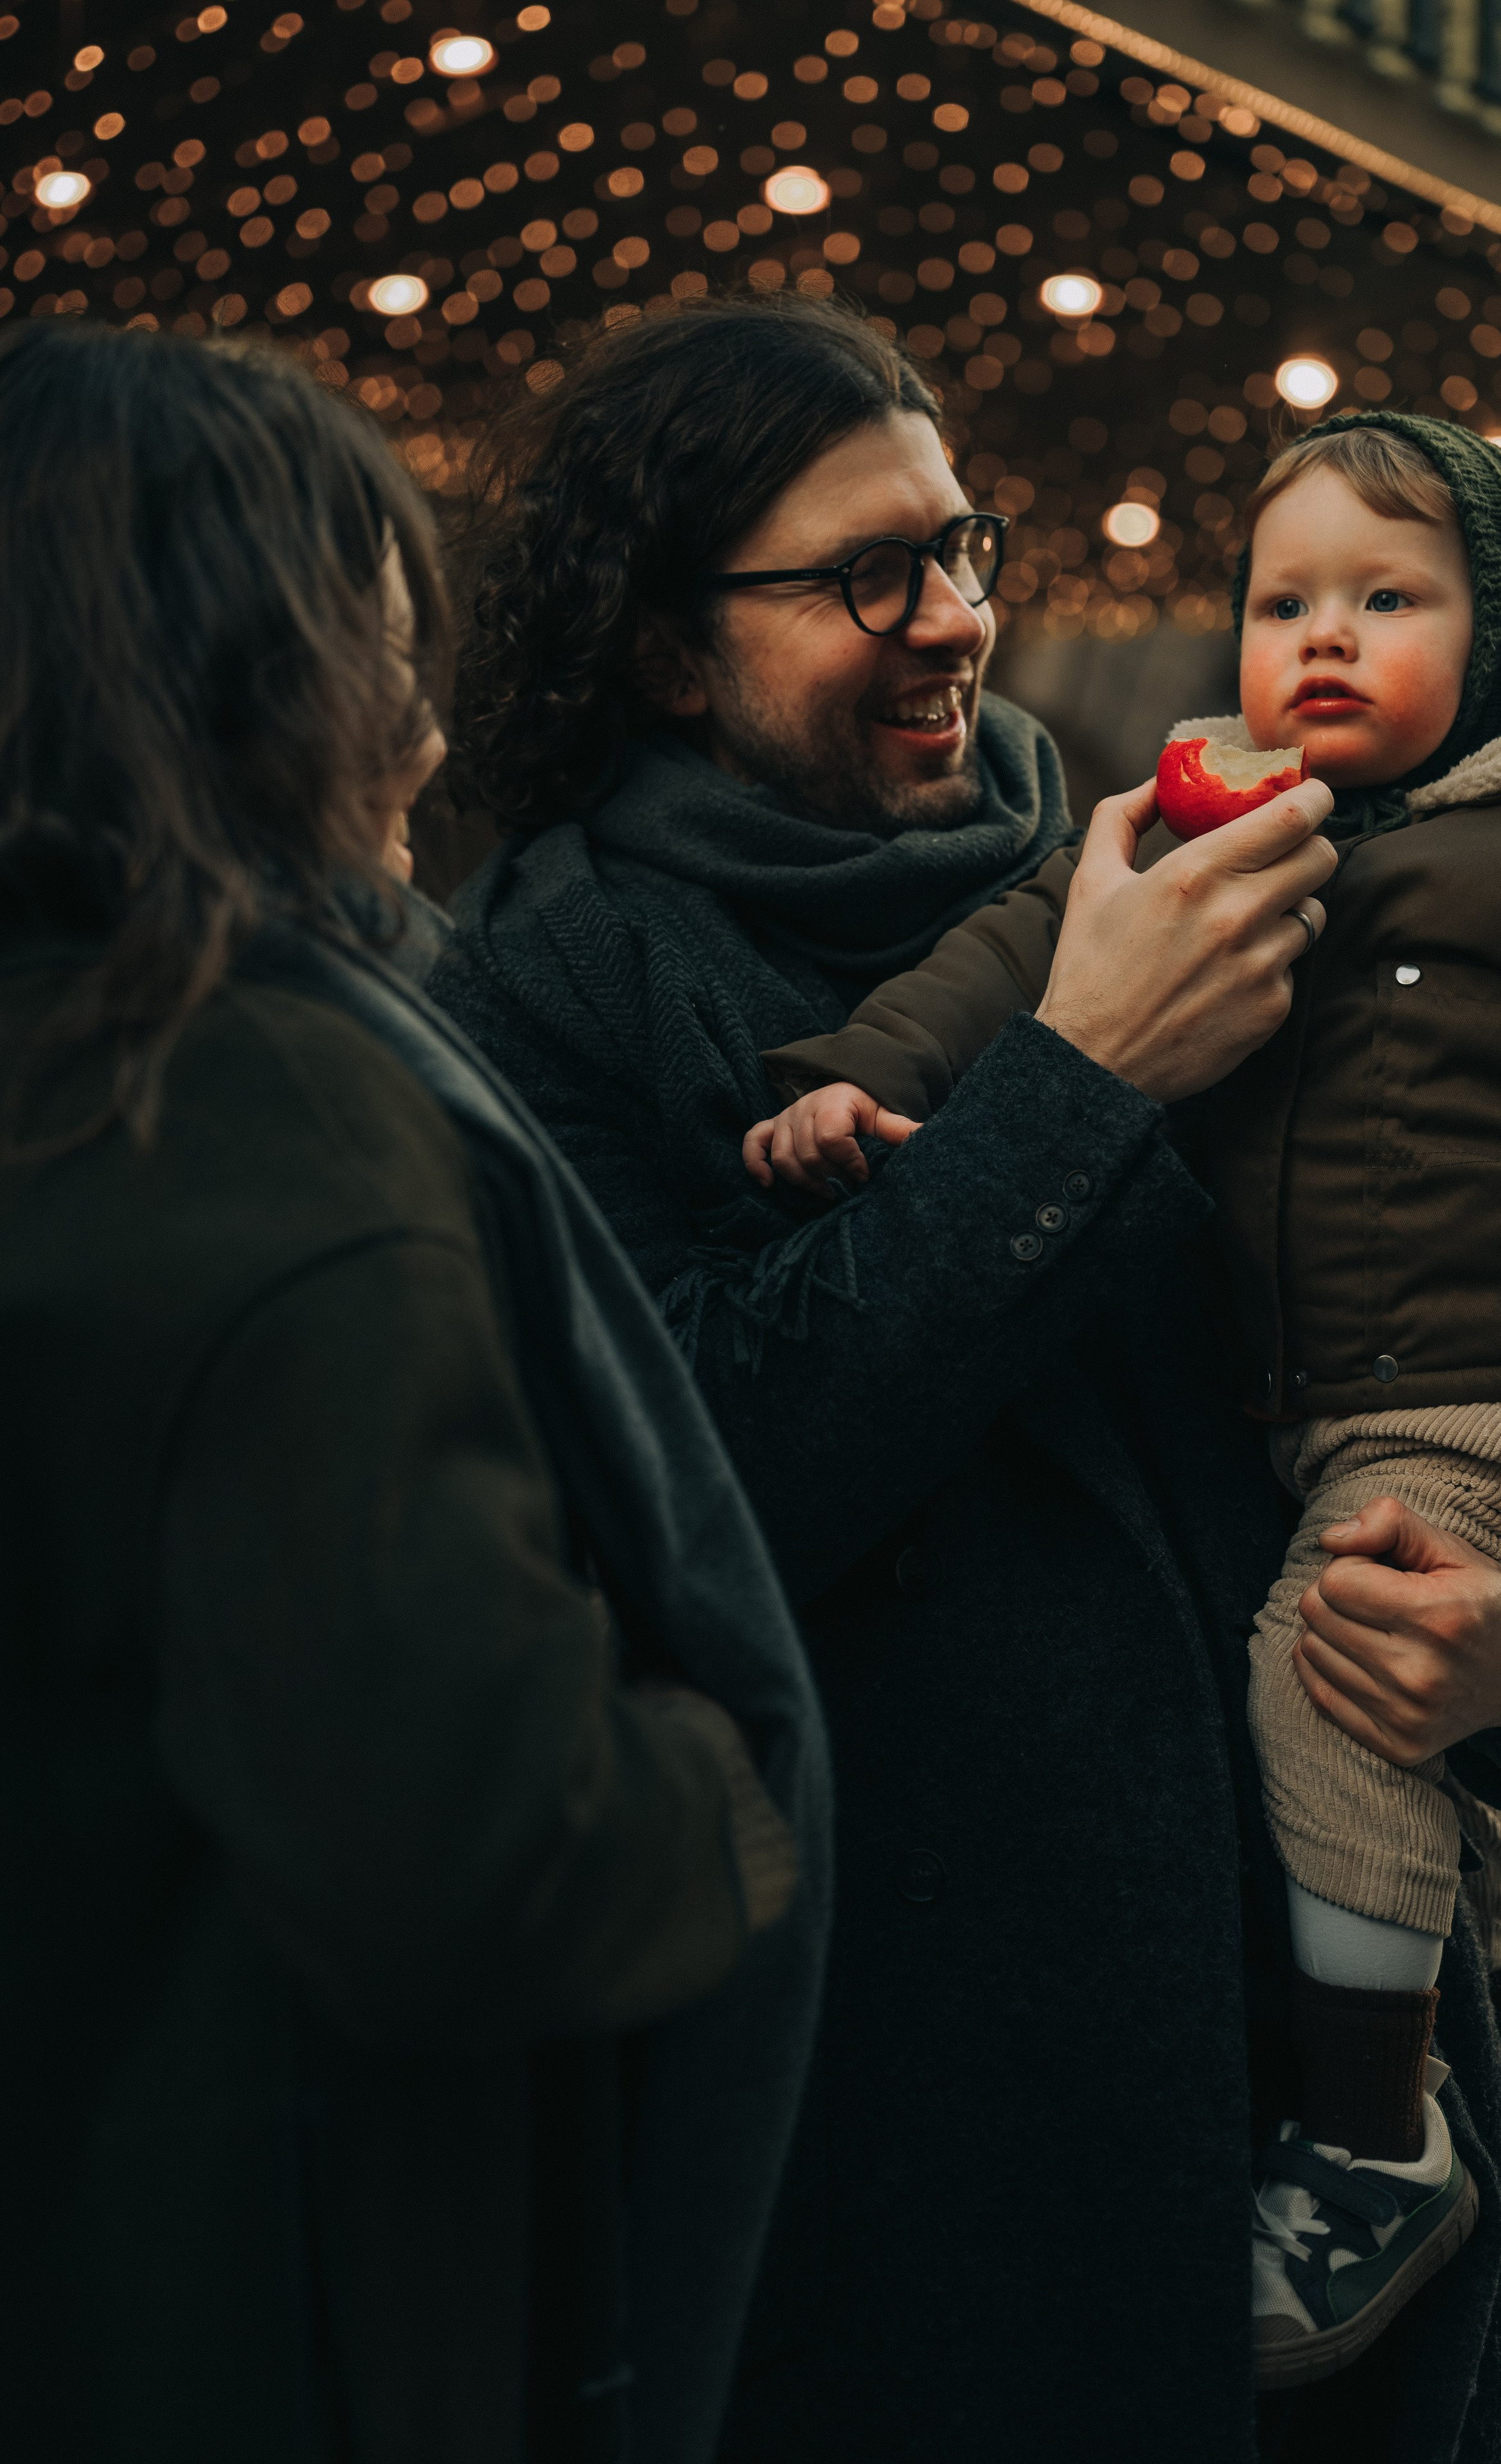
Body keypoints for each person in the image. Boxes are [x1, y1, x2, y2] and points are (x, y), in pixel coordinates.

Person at [429, 295, 1501, 2461]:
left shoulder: (1173, 860)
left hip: (1356, 2193)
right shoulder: (550, 986)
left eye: (964, 545)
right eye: (865, 575)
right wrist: (1081, 1074)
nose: (955, 622)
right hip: (960, 2188)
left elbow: (1450, 1356)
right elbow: (707, 1473)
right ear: (660, 644)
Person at [0, 319, 828, 2464]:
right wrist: (737, 1780)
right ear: (256, 683)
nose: (429, 724)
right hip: (253, 2307)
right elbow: (479, 1836)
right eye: (384, 649)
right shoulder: (270, 1117)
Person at [749, 411, 1501, 2388]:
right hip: (1307, 1390)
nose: (1320, 640)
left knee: (1321, 1672)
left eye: (1388, 601)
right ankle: (1487, 2007)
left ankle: (1373, 2141)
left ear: (1500, 639)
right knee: (1391, 1689)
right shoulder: (1222, 819)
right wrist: (858, 1067)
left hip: (1488, 1390)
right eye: (1283, 602)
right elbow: (1017, 949)